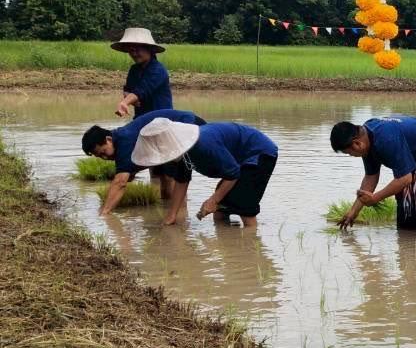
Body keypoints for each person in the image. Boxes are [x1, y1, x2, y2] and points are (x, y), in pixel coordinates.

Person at [329, 116, 416, 238]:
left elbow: (405, 178)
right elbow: (371, 177)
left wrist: (375, 198)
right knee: (411, 210)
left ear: (357, 144)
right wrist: (353, 211)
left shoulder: (385, 138)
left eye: (349, 153)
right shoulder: (367, 140)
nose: (351, 156)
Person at [131, 117, 278, 228]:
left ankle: (251, 245)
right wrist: (171, 216)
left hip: (259, 153)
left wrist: (213, 200)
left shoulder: (203, 145)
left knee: (243, 205)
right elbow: (182, 181)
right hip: (238, 162)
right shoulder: (180, 152)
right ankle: (229, 250)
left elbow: (233, 173)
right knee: (220, 211)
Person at [80, 109, 205, 215]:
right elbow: (129, 173)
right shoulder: (119, 141)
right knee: (166, 180)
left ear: (108, 139)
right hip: (166, 140)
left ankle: (180, 221)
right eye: (99, 156)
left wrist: (104, 213)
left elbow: (120, 183)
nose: (104, 158)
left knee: (175, 178)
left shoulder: (124, 142)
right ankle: (172, 216)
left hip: (189, 126)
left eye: (103, 152)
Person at [110, 28, 173, 118]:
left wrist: (125, 102)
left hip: (161, 119)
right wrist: (129, 97)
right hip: (141, 118)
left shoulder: (158, 70)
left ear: (149, 50)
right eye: (131, 50)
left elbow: (141, 90)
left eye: (137, 50)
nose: (134, 54)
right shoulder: (134, 69)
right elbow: (127, 89)